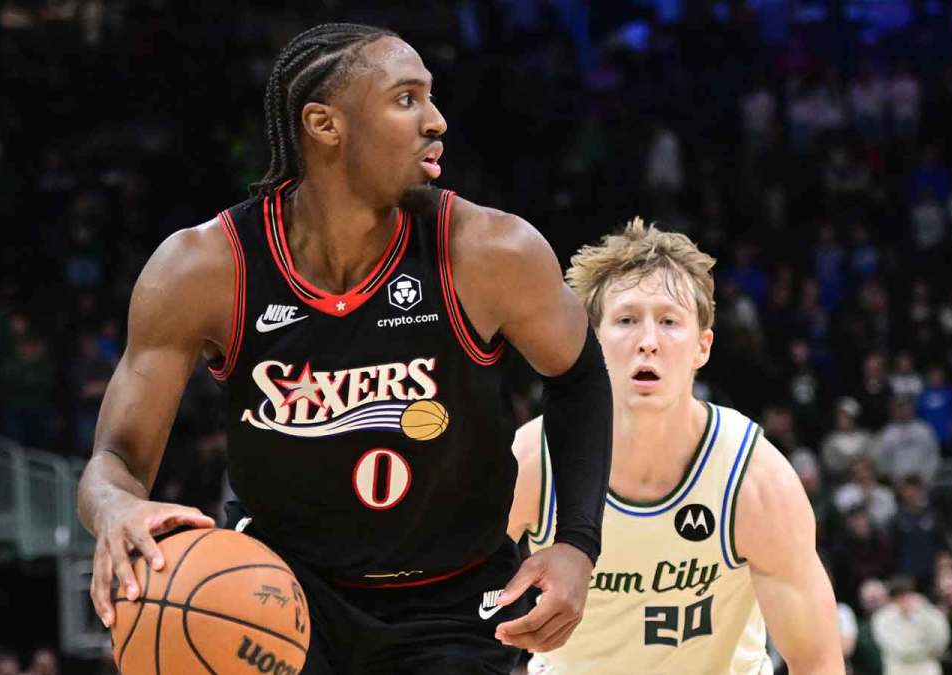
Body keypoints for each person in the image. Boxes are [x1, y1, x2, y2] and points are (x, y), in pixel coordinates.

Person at [77, 23, 612, 675]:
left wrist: (578, 544)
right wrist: (114, 506)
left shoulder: (490, 251)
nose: (437, 120)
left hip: (454, 600)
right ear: (325, 124)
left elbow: (580, 375)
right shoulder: (204, 268)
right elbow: (116, 457)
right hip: (277, 594)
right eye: (406, 98)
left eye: (431, 97)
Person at [508, 218, 842, 673]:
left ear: (702, 347)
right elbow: (449, 608)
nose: (648, 342)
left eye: (669, 321)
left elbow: (817, 662)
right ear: (590, 342)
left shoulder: (754, 478)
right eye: (627, 320)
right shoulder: (533, 461)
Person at [871, 576, 950, 675]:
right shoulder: (882, 618)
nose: (905, 600)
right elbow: (901, 650)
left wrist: (924, 610)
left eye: (908, 594)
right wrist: (926, 651)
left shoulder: (927, 611)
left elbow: (940, 641)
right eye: (900, 596)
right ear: (892, 598)